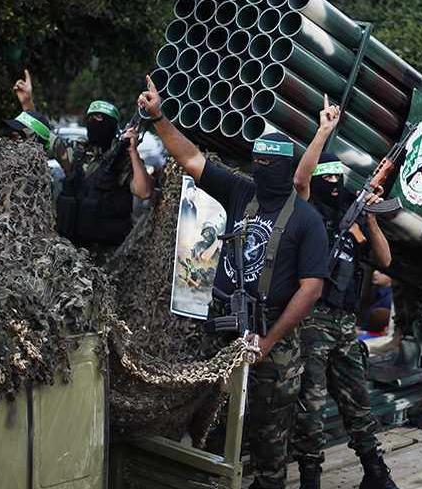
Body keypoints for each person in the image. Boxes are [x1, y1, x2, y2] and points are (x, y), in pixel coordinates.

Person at [138, 75, 329, 489]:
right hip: (225, 332)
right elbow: (190, 159)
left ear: (284, 166)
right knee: (217, 427)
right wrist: (159, 118)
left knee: (269, 439)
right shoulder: (242, 191)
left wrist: (270, 340)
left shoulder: (308, 219)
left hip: (270, 342)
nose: (259, 169)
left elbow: (310, 288)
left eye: (268, 164)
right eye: (255, 161)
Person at [289, 97, 398, 489]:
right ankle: (310, 478)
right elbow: (302, 180)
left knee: (358, 401)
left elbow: (384, 259)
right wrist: (324, 131)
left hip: (346, 325)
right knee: (311, 407)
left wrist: (370, 219)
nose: (333, 184)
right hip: (313, 322)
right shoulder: (307, 214)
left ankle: (375, 471)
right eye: (327, 178)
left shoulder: (350, 220)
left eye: (339, 178)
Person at [10, 69, 153, 248]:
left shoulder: (123, 161)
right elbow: (42, 134)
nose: (95, 123)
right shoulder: (76, 153)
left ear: (113, 126)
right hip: (71, 252)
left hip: (108, 255)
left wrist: (132, 152)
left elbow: (144, 191)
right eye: (91, 118)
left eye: (101, 119)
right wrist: (27, 103)